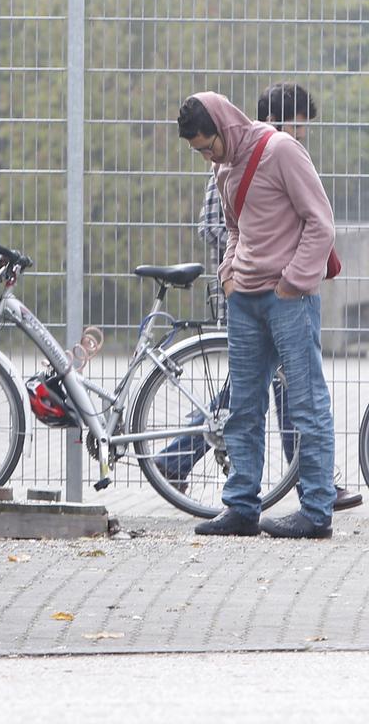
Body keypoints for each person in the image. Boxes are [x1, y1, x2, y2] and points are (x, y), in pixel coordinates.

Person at [177, 92, 337, 539]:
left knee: (306, 404)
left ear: (224, 128)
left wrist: (293, 281)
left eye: (209, 146)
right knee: (243, 407)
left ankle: (317, 512)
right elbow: (233, 226)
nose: (207, 155)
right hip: (243, 300)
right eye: (200, 152)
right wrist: (228, 273)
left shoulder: (281, 150)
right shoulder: (222, 166)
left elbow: (321, 221)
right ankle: (241, 507)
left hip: (288, 298)